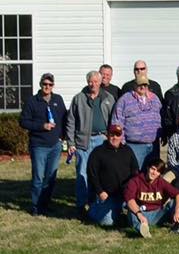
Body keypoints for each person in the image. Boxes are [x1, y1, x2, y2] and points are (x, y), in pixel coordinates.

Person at [66, 70, 117, 215]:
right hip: (84, 141)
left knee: (101, 173)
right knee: (83, 173)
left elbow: (114, 120)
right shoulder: (79, 98)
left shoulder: (108, 98)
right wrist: (71, 143)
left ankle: (97, 203)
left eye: (96, 81)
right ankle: (82, 205)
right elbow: (70, 121)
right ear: (87, 82)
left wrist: (111, 139)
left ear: (100, 82)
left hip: (102, 140)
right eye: (90, 81)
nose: (93, 84)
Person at [19, 73, 67, 216]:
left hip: (55, 146)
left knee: (50, 177)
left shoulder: (57, 99)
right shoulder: (32, 101)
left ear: (53, 85)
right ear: (40, 84)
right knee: (38, 177)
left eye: (50, 84)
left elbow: (64, 119)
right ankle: (36, 206)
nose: (47, 87)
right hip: (39, 145)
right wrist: (42, 125)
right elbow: (23, 121)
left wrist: (62, 137)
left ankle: (46, 204)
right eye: (45, 84)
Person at [86, 124, 139, 226]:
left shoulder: (128, 150)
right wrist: (100, 191)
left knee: (133, 215)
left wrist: (133, 189)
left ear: (121, 136)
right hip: (107, 195)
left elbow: (135, 171)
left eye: (117, 135)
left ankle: (120, 213)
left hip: (125, 193)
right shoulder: (98, 152)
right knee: (108, 222)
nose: (115, 137)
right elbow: (92, 174)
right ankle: (93, 210)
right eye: (112, 134)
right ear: (107, 135)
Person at [124, 159, 179, 237]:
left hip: (157, 213)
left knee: (173, 202)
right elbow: (130, 200)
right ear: (148, 168)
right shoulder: (135, 181)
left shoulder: (161, 182)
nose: (154, 173)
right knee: (131, 211)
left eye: (158, 171)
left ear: (160, 173)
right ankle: (142, 229)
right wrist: (139, 214)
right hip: (141, 213)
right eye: (153, 169)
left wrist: (177, 211)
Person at [112, 74, 163, 170]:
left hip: (153, 145)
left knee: (153, 174)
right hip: (134, 146)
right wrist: (121, 142)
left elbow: (161, 116)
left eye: (145, 85)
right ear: (134, 85)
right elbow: (117, 121)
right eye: (140, 85)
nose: (143, 87)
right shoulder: (125, 100)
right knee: (135, 174)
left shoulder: (155, 99)